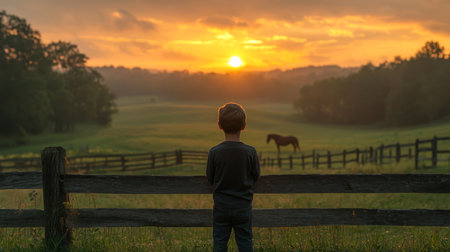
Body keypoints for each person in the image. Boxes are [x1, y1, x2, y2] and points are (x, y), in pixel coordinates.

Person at [206, 102, 260, 252]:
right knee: (245, 242)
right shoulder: (250, 152)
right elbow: (256, 176)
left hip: (221, 206)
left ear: (219, 125)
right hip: (243, 206)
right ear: (244, 125)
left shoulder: (214, 152)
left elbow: (210, 178)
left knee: (220, 242)